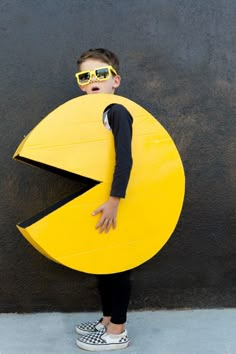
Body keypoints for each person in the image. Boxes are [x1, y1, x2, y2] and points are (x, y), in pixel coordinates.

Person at [75, 48, 133, 351]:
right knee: (103, 262)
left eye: (101, 74)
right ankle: (107, 318)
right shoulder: (91, 117)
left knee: (119, 264)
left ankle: (118, 331)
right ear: (81, 85)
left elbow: (125, 159)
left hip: (118, 202)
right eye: (85, 76)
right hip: (102, 200)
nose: (93, 80)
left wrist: (114, 200)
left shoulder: (115, 111)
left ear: (116, 80)